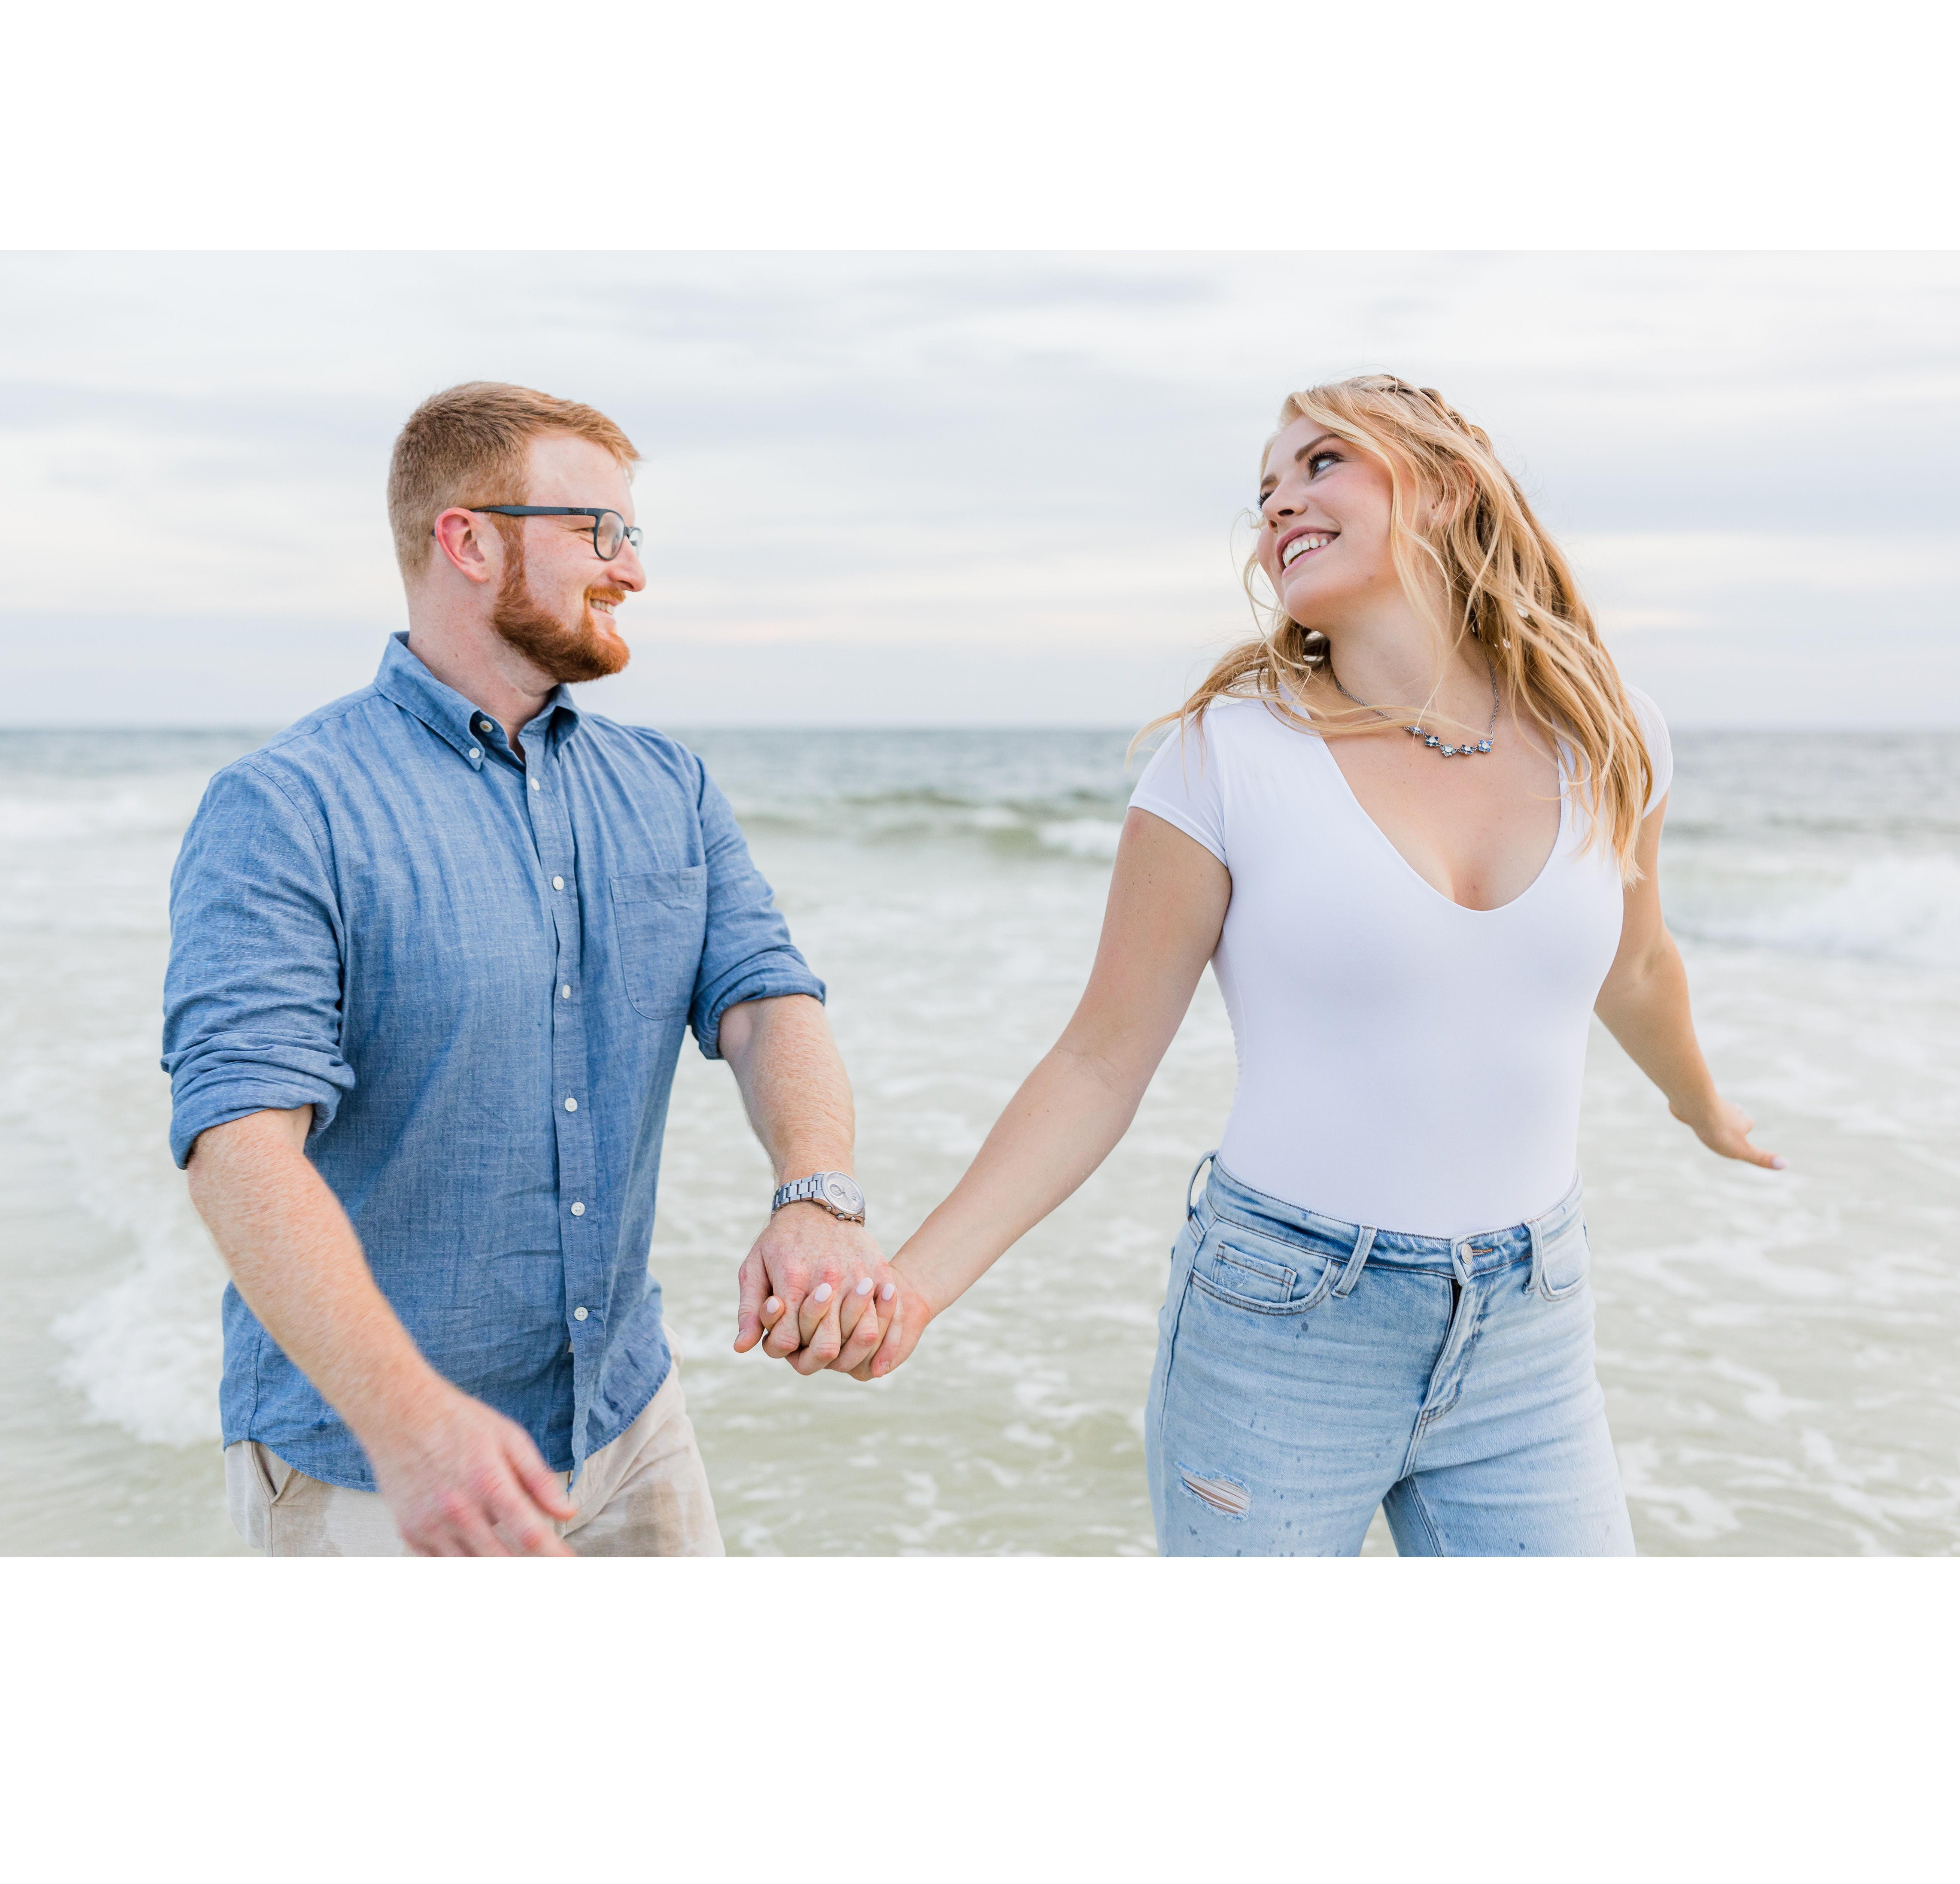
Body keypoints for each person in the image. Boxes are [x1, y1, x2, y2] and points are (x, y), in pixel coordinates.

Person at [830, 374, 1783, 1556]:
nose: (1279, 502)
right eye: (1265, 490)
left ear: (1446, 488)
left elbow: (1634, 968)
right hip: (1281, 1325)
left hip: (1529, 1323)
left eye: (1321, 462)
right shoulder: (1223, 758)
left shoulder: (1609, 729)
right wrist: (918, 1282)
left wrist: (1702, 1107)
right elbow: (1097, 1062)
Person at [164, 381, 897, 1557]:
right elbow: (240, 1146)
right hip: (375, 1461)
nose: (632, 570)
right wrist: (408, 1420)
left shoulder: (668, 787)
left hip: (628, 1419)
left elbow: (767, 1002)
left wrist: (816, 1193)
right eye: (597, 532)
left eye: (633, 534)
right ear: (467, 540)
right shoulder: (286, 808)